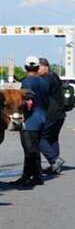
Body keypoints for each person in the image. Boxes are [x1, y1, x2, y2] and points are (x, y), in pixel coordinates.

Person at [9, 56, 48, 188]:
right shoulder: (44, 82)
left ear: (26, 67)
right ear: (37, 67)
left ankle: (35, 177)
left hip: (30, 120)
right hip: (42, 117)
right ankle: (28, 176)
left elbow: (28, 102)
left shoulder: (26, 82)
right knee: (34, 148)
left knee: (30, 150)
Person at [37, 57, 66, 174]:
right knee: (53, 139)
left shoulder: (47, 78)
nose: (37, 70)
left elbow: (41, 93)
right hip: (59, 113)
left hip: (51, 113)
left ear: (45, 67)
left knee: (39, 138)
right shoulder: (54, 76)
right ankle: (55, 166)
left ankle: (54, 160)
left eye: (38, 68)